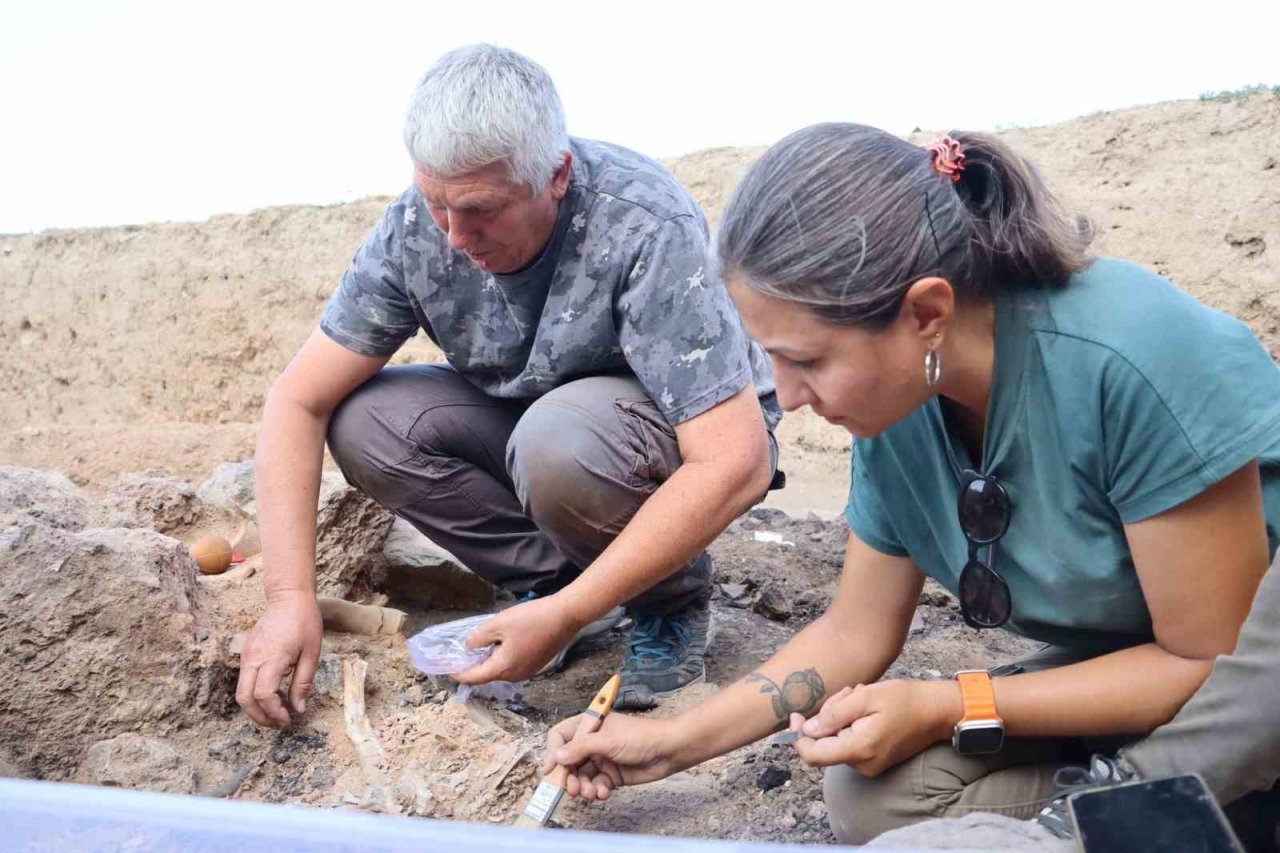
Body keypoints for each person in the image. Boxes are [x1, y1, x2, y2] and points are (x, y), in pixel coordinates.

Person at [545, 123, 1280, 846]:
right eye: (771, 358)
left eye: (806, 360)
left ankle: (1160, 810)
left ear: (926, 313)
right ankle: (1180, 807)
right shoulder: (899, 399)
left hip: (1239, 683)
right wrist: (672, 743)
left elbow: (1210, 664)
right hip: (1137, 655)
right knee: (879, 795)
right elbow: (856, 629)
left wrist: (952, 702)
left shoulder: (1132, 355)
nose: (789, 395)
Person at [234, 44, 783, 727]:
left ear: (555, 176)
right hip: (531, 416)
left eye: (480, 210)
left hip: (659, 425)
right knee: (365, 420)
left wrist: (571, 614)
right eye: (437, 203)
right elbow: (296, 399)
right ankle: (552, 584)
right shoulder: (417, 227)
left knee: (557, 441)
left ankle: (667, 600)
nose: (456, 237)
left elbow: (737, 457)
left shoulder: (640, 221)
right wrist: (289, 597)